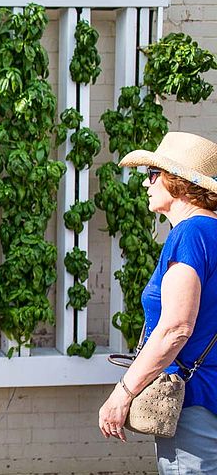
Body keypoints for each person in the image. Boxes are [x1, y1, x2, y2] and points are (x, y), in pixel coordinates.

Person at [98, 131, 217, 473]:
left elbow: (176, 328)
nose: (147, 184)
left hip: (194, 404)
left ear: (178, 182)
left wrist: (123, 392)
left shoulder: (190, 234)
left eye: (153, 174)